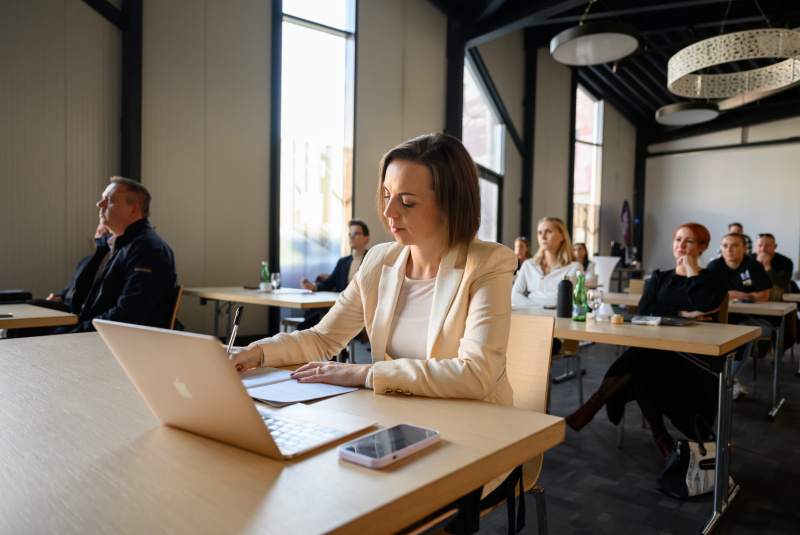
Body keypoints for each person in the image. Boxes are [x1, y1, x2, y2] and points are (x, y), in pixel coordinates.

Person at [231, 133, 518, 527]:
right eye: (386, 195)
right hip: (398, 425)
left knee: (379, 509)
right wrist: (256, 353)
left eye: (408, 202)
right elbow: (324, 337)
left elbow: (476, 374)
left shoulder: (487, 264)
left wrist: (364, 373)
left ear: (451, 204)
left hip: (474, 434)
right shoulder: (380, 260)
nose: (389, 213)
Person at [565, 223, 727, 460]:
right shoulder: (660, 278)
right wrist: (682, 314)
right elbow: (645, 309)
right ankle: (660, 436)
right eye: (678, 239)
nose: (681, 245)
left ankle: (595, 404)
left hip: (695, 357)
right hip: (658, 353)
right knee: (645, 362)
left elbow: (704, 304)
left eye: (689, 241)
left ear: (702, 247)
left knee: (642, 359)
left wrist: (692, 272)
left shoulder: (711, 278)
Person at [54, 177, 177, 334]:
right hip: (103, 336)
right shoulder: (121, 245)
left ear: (133, 210)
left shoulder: (147, 249)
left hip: (124, 345)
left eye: (109, 200)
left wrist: (76, 333)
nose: (100, 204)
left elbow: (128, 316)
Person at [707, 233, 774, 396]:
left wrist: (740, 295)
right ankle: (726, 381)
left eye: (734, 245)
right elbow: (707, 295)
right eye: (725, 246)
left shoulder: (752, 266)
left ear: (744, 249)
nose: (729, 249)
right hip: (724, 320)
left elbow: (764, 296)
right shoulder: (714, 266)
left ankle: (724, 380)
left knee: (745, 332)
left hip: (756, 320)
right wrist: (731, 294)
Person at [511, 217, 580, 309]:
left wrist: (528, 294)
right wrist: (543, 308)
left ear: (562, 236)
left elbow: (559, 299)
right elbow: (514, 297)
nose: (543, 237)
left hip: (557, 322)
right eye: (540, 233)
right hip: (529, 320)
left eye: (548, 231)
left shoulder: (574, 267)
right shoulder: (528, 265)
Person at [300, 220, 370, 293]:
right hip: (343, 302)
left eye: (355, 233)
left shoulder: (372, 260)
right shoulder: (342, 262)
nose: (351, 237)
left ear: (366, 238)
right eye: (349, 234)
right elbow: (329, 283)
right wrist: (313, 286)